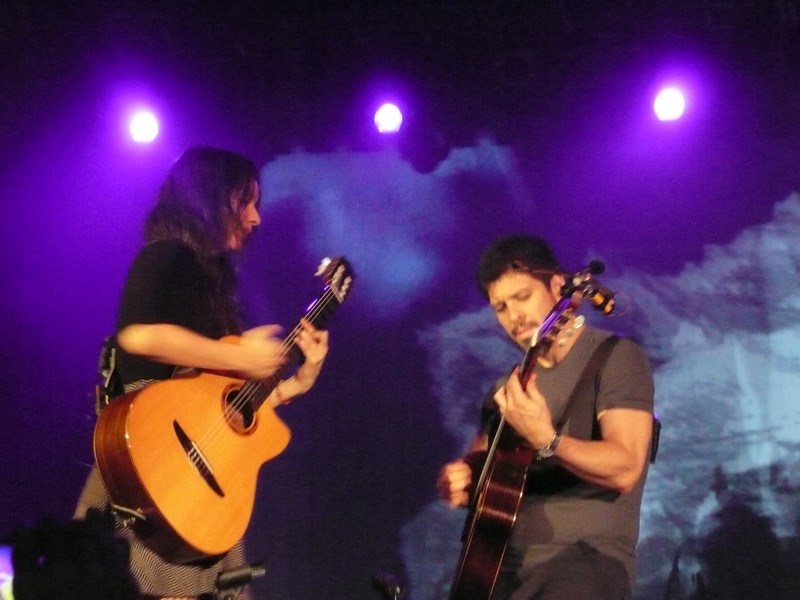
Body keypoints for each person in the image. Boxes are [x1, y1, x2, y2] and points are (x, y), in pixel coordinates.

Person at [75, 146, 330, 600]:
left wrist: (299, 381)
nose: (256, 218)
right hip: (154, 472)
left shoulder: (213, 285)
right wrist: (237, 357)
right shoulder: (167, 255)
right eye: (245, 201)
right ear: (212, 199)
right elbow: (137, 337)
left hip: (202, 492)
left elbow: (225, 406)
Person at [436, 234, 654, 600]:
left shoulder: (616, 358)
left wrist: (548, 440)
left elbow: (626, 468)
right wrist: (457, 481)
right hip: (498, 575)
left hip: (583, 567)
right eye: (500, 307)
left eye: (522, 297)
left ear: (558, 287)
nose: (514, 316)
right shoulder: (507, 390)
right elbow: (480, 472)